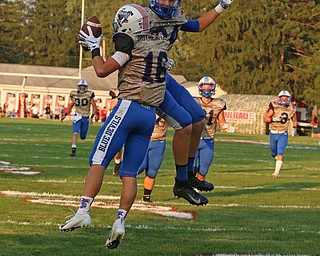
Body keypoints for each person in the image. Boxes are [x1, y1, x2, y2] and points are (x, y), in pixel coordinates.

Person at [59, 0, 234, 249]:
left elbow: (103, 69)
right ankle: (122, 219)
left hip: (133, 101)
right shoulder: (148, 28)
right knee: (133, 170)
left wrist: (94, 48)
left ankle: (84, 210)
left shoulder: (129, 41)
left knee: (100, 160)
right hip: (151, 105)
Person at [193, 76, 229, 183]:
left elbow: (221, 121)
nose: (207, 90)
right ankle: (191, 187)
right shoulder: (193, 101)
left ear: (213, 88)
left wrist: (224, 126)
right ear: (200, 88)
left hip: (208, 138)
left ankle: (198, 187)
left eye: (209, 87)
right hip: (193, 139)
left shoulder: (219, 104)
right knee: (191, 167)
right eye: (204, 87)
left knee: (203, 170)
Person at [263, 90, 297, 178]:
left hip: (283, 133)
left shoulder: (291, 108)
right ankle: (276, 158)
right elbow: (265, 118)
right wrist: (273, 119)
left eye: (286, 98)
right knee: (273, 153)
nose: (284, 100)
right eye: (283, 98)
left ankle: (276, 173)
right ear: (279, 98)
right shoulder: (275, 106)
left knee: (280, 153)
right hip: (273, 133)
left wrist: (294, 129)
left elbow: (294, 120)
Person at [61, 79, 98, 157]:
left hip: (86, 116)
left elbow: (94, 106)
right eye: (80, 86)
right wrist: (65, 114)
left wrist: (92, 117)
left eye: (83, 86)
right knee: (75, 132)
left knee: (83, 136)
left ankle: (79, 139)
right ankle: (73, 149)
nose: (81, 88)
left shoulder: (89, 94)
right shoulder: (74, 94)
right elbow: (71, 105)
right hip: (77, 116)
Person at [138, 115, 169, 202]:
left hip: (159, 141)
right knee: (140, 167)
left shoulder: (167, 107)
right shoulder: (143, 104)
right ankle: (127, 190)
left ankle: (146, 196)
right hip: (142, 140)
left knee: (152, 172)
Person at [108, 90, 122, 177]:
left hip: (132, 120)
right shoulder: (116, 100)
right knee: (118, 148)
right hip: (119, 124)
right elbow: (112, 106)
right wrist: (117, 97)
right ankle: (117, 164)